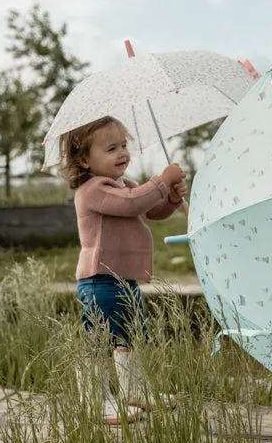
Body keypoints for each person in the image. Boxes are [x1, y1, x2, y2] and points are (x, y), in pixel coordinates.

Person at [58, 115, 187, 425]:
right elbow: (132, 203)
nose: (123, 154)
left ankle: (135, 390)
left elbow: (150, 209)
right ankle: (97, 401)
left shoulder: (123, 185)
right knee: (100, 341)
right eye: (111, 148)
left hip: (123, 279)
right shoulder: (93, 189)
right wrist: (161, 181)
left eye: (124, 145)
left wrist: (170, 197)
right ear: (84, 158)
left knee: (131, 336)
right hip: (99, 280)